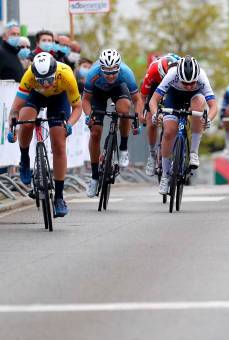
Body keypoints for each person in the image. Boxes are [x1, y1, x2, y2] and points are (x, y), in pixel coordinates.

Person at [7, 52, 82, 217]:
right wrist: (12, 124)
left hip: (59, 99)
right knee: (26, 123)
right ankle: (24, 159)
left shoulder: (66, 74)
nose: (47, 84)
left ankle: (60, 198)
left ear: (56, 73)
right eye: (42, 81)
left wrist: (69, 124)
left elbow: (78, 108)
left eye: (49, 79)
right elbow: (15, 109)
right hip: (36, 96)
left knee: (59, 144)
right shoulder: (29, 76)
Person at [149, 56, 218, 195]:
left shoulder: (202, 77)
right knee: (169, 132)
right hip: (174, 97)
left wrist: (209, 119)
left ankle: (193, 153)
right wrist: (156, 114)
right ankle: (165, 176)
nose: (188, 86)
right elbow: (153, 101)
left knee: (198, 108)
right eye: (185, 83)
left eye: (192, 83)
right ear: (178, 76)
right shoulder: (172, 74)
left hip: (195, 97)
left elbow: (213, 105)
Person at [82, 49, 144, 197]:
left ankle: (123, 148)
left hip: (118, 89)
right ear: (101, 68)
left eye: (113, 72)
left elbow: (137, 100)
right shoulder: (92, 73)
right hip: (98, 93)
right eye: (107, 73)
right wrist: (88, 115)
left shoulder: (126, 72)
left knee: (124, 109)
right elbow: (85, 100)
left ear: (119, 68)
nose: (110, 76)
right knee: (95, 132)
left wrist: (137, 116)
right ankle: (95, 177)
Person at [140, 53, 180, 176]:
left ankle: (177, 150)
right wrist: (143, 112)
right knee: (152, 122)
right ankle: (152, 154)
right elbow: (143, 96)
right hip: (155, 87)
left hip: (174, 86)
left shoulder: (178, 67)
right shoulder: (152, 70)